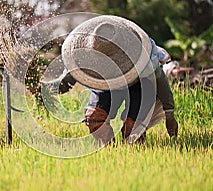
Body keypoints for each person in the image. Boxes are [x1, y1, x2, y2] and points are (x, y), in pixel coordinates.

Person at [44, 15, 178, 145]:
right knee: (94, 118)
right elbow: (65, 83)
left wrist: (170, 115)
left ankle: (133, 154)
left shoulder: (143, 56)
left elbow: (161, 82)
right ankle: (111, 151)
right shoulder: (82, 57)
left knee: (132, 130)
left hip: (139, 86)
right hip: (105, 86)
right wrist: (43, 89)